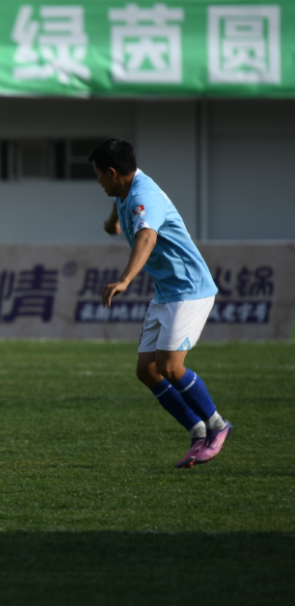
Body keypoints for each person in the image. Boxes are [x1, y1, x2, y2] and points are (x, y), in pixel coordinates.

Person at [89, 138, 230, 469]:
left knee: (170, 366)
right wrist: (114, 220)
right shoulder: (126, 188)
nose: (98, 181)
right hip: (167, 291)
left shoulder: (144, 197)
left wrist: (125, 280)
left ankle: (217, 426)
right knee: (147, 371)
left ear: (112, 173)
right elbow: (121, 201)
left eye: (98, 174)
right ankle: (197, 432)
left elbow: (147, 236)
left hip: (190, 289)